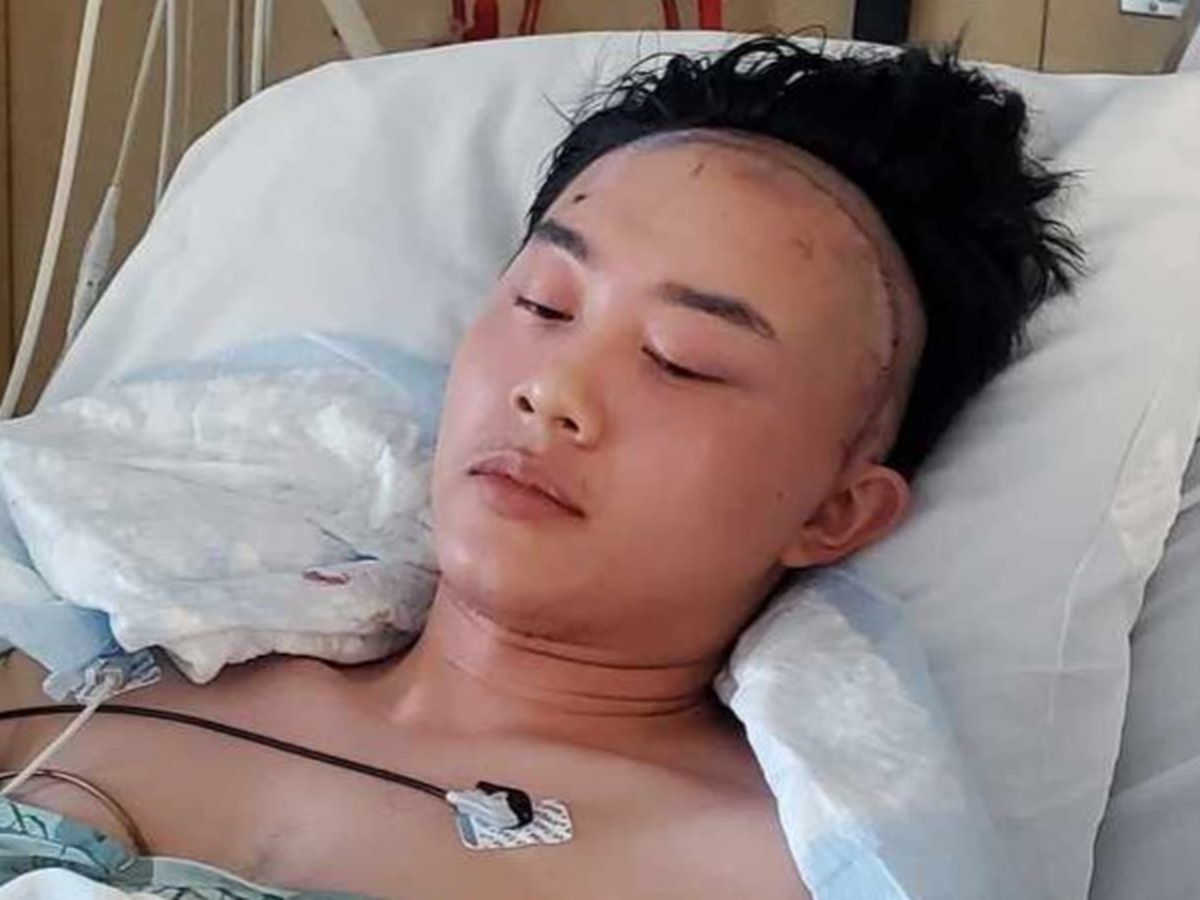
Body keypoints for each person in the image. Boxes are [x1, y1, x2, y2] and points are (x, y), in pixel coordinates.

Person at [0, 35, 1080, 899]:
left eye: (682, 360)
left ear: (835, 513)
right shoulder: (73, 642)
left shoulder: (749, 873)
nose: (554, 388)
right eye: (544, 304)